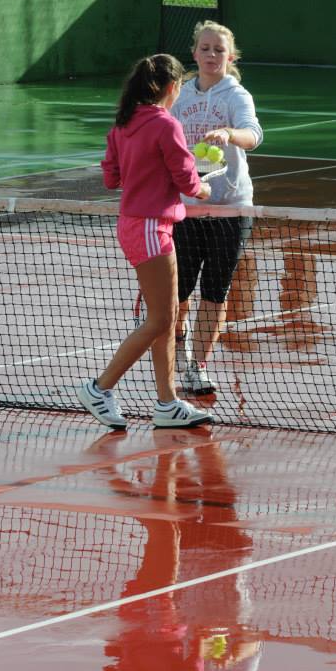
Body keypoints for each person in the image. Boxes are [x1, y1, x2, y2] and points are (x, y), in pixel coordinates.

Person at [77, 53, 213, 430]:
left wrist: (148, 174)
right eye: (180, 85)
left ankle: (167, 404)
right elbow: (187, 181)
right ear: (172, 87)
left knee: (164, 320)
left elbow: (111, 178)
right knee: (161, 319)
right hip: (151, 229)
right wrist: (203, 188)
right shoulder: (166, 125)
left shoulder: (123, 124)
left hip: (136, 225)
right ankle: (99, 388)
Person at [170, 20, 263, 393]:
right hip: (187, 207)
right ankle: (177, 343)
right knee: (178, 290)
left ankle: (198, 366)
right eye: (205, 48)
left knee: (215, 290)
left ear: (231, 56)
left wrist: (229, 133)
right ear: (194, 53)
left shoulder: (236, 96)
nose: (211, 55)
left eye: (219, 50)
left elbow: (253, 134)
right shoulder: (180, 97)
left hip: (231, 208)